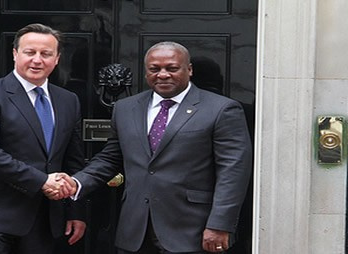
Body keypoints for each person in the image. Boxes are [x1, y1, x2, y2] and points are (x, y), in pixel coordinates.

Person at [57, 41, 252, 253]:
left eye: (172, 68)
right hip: (135, 231)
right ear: (146, 72)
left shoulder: (221, 109)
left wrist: (220, 224)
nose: (163, 74)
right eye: (155, 69)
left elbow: (233, 172)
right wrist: (76, 182)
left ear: (189, 69)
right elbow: (111, 158)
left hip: (193, 231)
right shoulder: (126, 108)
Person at [0, 23, 85, 254]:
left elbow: (72, 159)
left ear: (56, 59)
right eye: (30, 52)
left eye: (46, 54)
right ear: (15, 54)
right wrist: (41, 181)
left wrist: (75, 211)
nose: (37, 60)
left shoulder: (68, 100)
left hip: (44, 221)